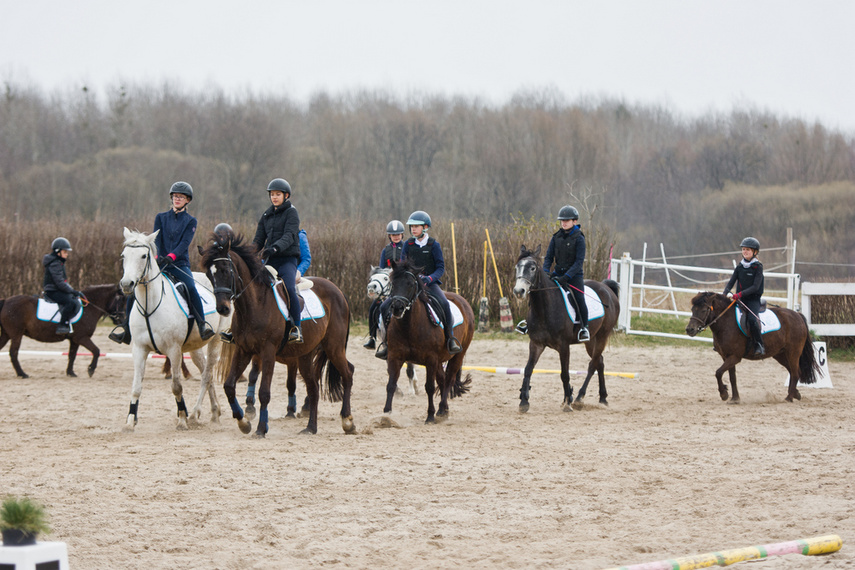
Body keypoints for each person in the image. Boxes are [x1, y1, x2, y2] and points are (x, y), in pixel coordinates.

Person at [109, 181, 215, 343]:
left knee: (191, 288)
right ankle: (126, 328)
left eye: (181, 197)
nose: (177, 199)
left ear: (188, 200)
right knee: (136, 289)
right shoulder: (161, 217)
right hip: (160, 263)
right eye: (175, 196)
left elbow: (184, 243)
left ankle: (202, 325)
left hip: (179, 264)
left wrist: (172, 256)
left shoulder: (191, 221)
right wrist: (157, 257)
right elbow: (156, 239)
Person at [375, 211, 461, 359]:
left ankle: (450, 338)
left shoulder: (434, 245)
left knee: (444, 304)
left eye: (416, 226)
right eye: (412, 227)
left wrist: (430, 278)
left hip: (429, 284)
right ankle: (386, 342)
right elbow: (402, 266)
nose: (413, 229)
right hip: (410, 284)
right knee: (384, 307)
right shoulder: (408, 245)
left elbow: (440, 267)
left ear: (425, 227)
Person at [253, 177, 303, 343]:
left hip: (287, 260)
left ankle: (297, 327)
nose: (274, 197)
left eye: (277, 194)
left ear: (286, 195)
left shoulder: (292, 213)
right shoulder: (266, 215)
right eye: (272, 194)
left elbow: (289, 236)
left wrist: (275, 247)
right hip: (270, 261)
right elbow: (258, 240)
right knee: (251, 286)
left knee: (289, 287)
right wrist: (248, 253)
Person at [543, 205, 589, 342]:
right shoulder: (556, 237)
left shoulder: (580, 238)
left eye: (567, 220)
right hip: (557, 273)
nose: (563, 223)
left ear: (574, 221)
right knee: (539, 291)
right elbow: (548, 257)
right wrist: (546, 272)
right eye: (562, 220)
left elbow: (578, 262)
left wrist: (567, 277)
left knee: (579, 298)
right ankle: (529, 323)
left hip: (574, 276)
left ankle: (584, 327)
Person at [364, 220, 405, 350]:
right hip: (387, 283)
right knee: (373, 308)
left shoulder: (406, 248)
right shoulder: (385, 250)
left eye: (398, 234)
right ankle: (372, 338)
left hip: (401, 282)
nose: (396, 237)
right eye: (393, 235)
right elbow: (381, 268)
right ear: (389, 236)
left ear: (402, 235)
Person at [723, 237, 765, 355]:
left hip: (753, 300)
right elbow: (731, 282)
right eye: (744, 249)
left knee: (752, 320)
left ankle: (759, 344)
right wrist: (724, 294)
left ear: (755, 252)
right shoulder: (740, 266)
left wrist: (739, 294)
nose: (745, 252)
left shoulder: (758, 267)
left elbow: (755, 287)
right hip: (740, 299)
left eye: (748, 250)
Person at [43, 237, 84, 335]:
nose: (67, 254)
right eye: (65, 252)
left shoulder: (58, 262)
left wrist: (72, 291)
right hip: (53, 291)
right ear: (58, 252)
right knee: (70, 302)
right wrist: (72, 291)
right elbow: (60, 283)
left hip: (56, 289)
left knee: (72, 299)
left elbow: (63, 282)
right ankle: (62, 324)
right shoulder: (55, 263)